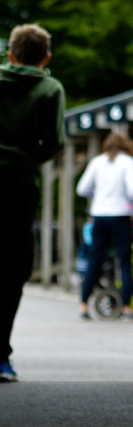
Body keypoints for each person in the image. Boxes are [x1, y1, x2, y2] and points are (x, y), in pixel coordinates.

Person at [0, 23, 65, 382]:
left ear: (10, 53)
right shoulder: (50, 88)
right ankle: (0, 355)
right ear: (45, 57)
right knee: (15, 268)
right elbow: (54, 141)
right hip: (21, 180)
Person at [76, 133, 133, 320]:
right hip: (120, 216)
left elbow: (82, 188)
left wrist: (97, 196)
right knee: (124, 261)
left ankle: (84, 305)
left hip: (99, 215)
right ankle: (126, 308)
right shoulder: (127, 162)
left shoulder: (97, 162)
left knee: (95, 259)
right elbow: (132, 190)